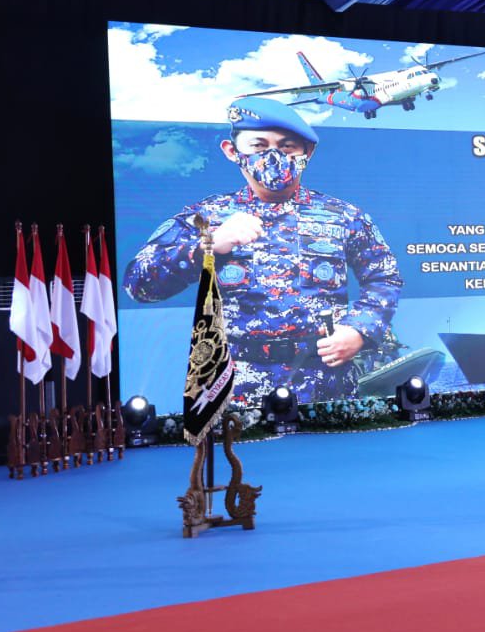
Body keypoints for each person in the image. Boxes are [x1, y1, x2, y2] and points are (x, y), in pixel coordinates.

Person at [123, 97, 403, 404]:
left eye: (287, 147)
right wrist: (208, 246)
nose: (273, 156)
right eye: (258, 145)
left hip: (326, 383)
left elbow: (384, 277)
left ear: (307, 152)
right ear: (232, 151)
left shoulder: (343, 216)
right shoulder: (207, 216)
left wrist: (360, 330)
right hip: (235, 386)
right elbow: (138, 284)